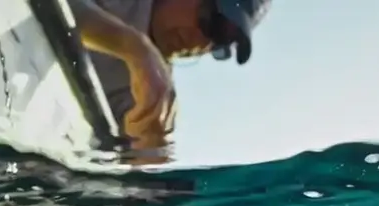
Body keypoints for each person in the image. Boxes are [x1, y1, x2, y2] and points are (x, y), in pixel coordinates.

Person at [70, 0, 271, 151]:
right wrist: (134, 47)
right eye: (212, 22)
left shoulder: (157, 98)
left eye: (219, 42)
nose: (201, 44)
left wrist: (146, 144)